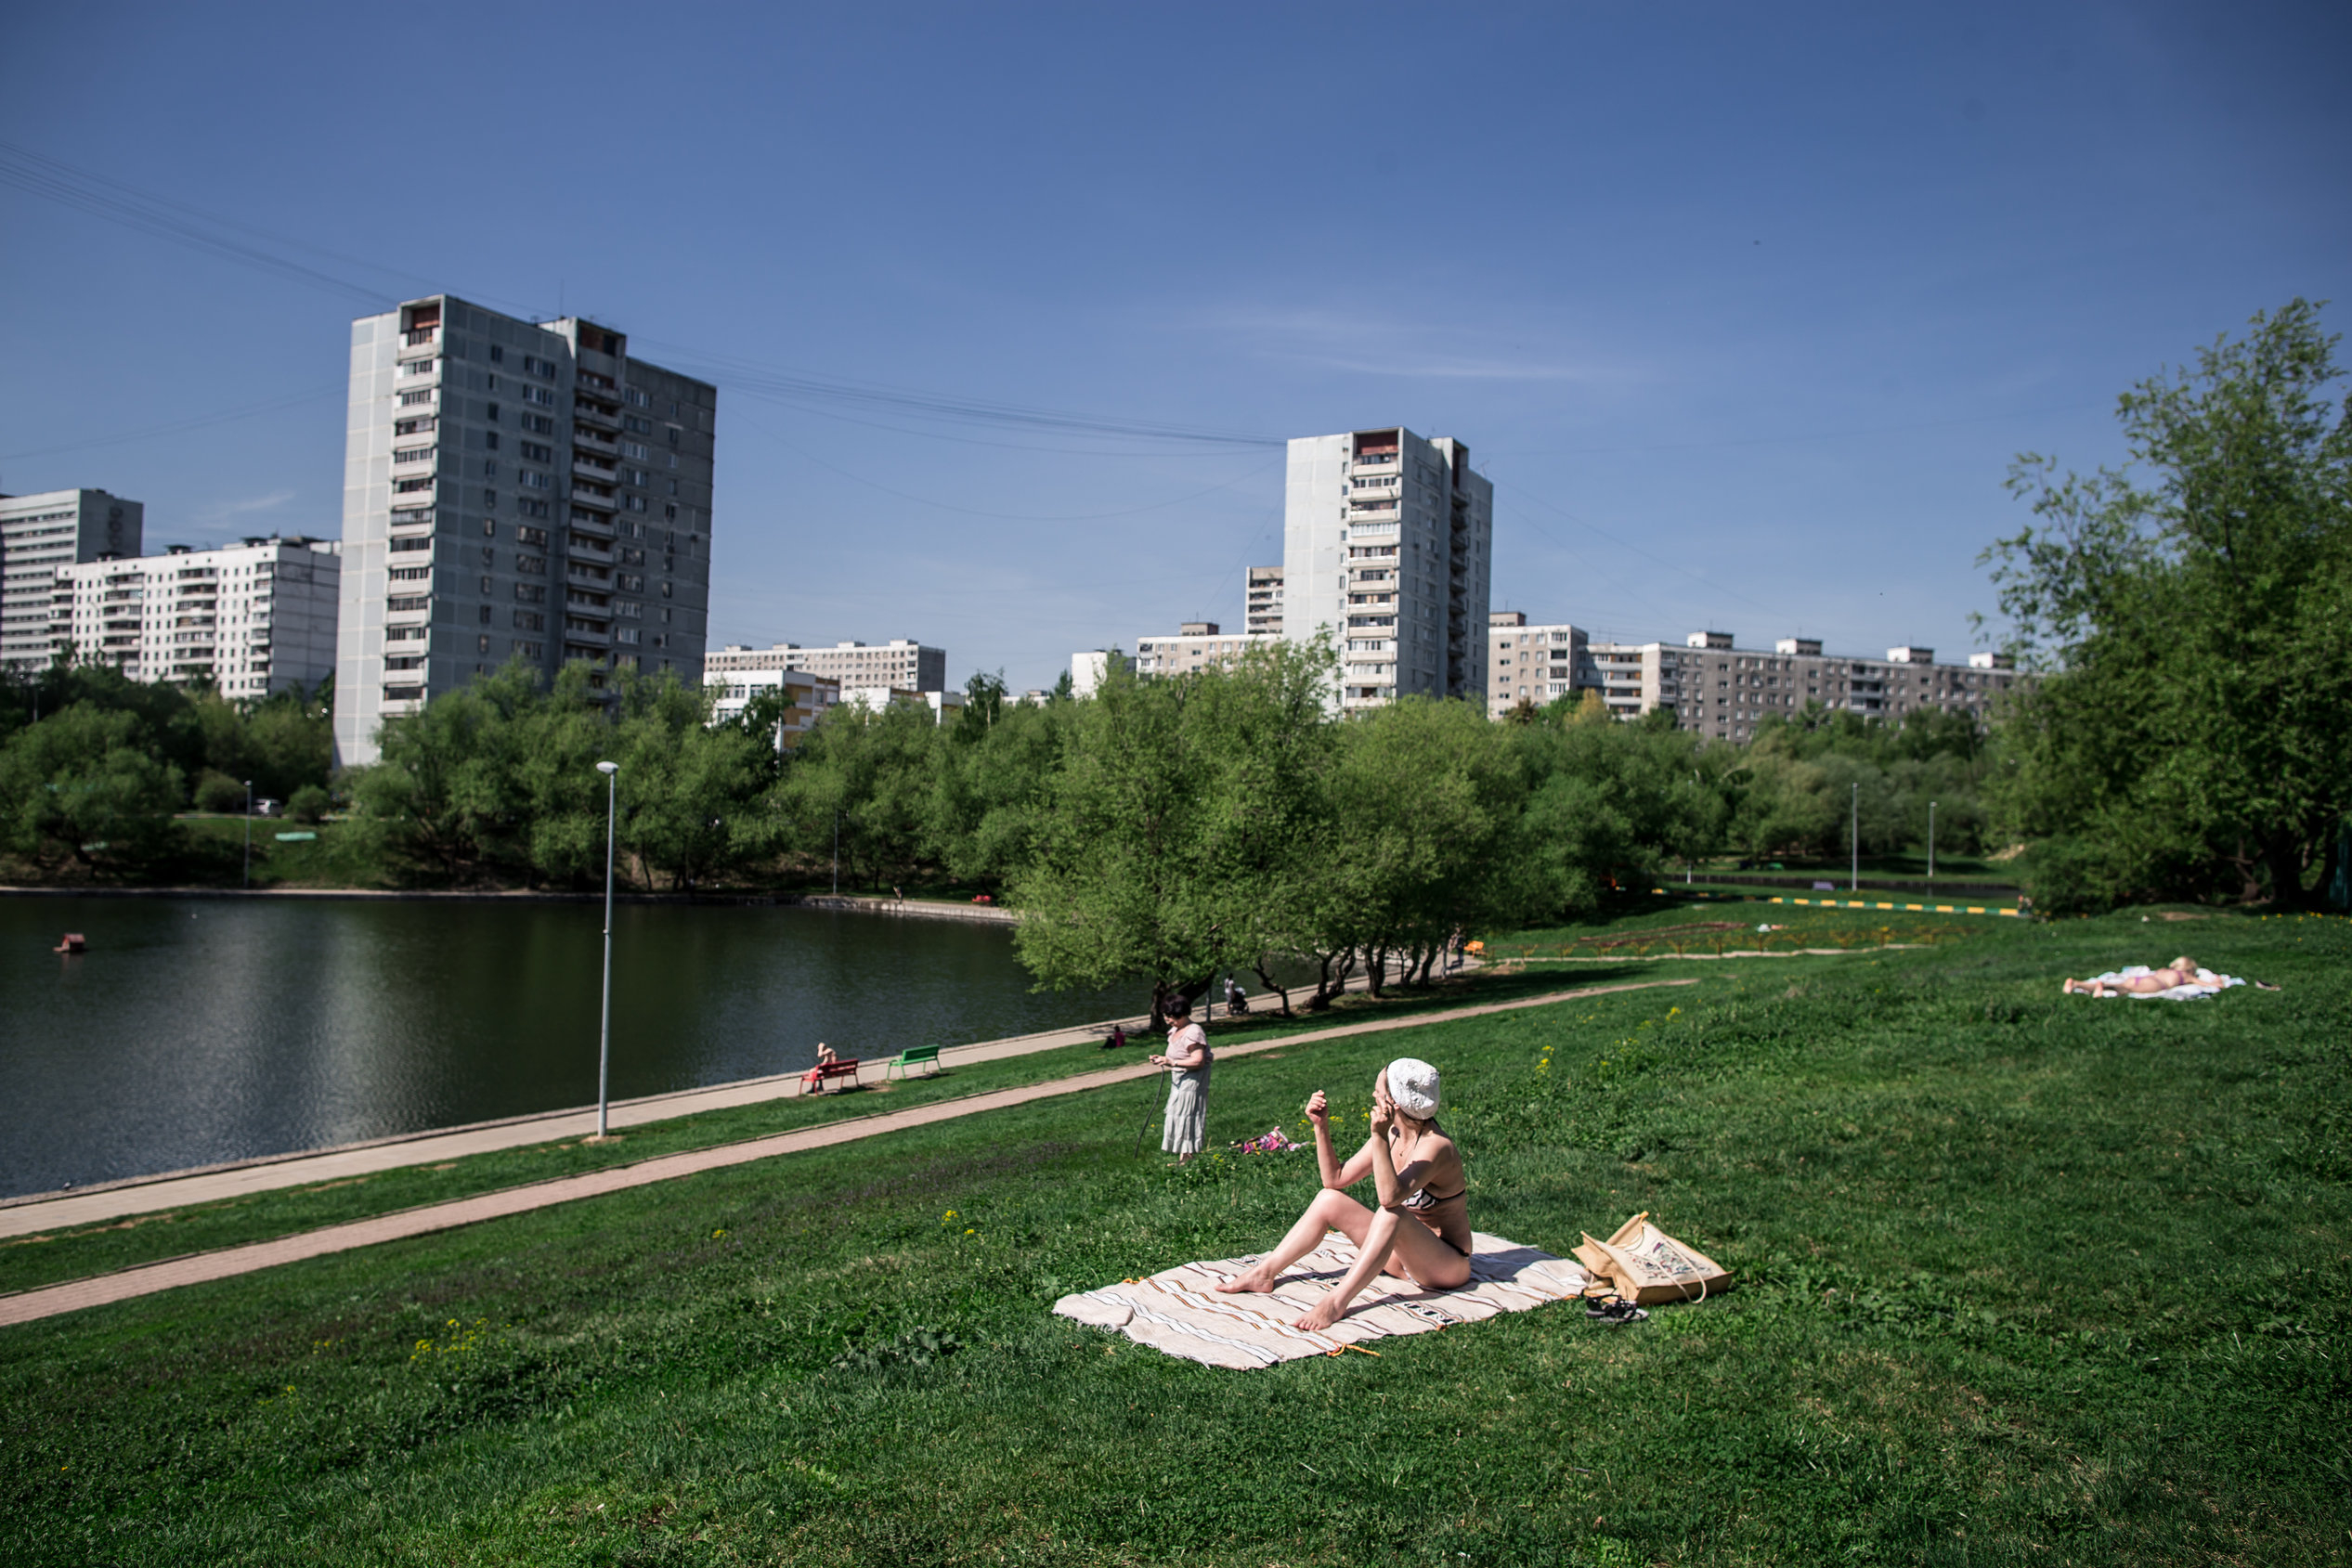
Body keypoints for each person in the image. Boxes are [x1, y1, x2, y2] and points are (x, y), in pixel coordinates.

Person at [1215, 1057, 1472, 1332]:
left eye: (1378, 1092)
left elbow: (1389, 1198)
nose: (1373, 1096)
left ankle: (1336, 1303)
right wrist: (1320, 1126)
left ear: (1393, 1103)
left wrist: (1379, 1137)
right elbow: (1334, 1179)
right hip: (1401, 1258)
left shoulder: (1436, 1147)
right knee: (1328, 1199)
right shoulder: (1395, 1133)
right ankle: (1263, 1274)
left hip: (1444, 1267)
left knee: (1391, 1214)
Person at [1149, 994, 1212, 1163]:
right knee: (1176, 1114)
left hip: (1193, 1079)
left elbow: (1198, 1060)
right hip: (1179, 1078)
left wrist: (1171, 1062)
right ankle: (1183, 1156)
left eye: (1172, 1017)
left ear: (1182, 1014)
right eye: (1166, 1016)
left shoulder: (1194, 1032)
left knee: (1187, 1114)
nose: (1168, 1020)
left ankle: (1188, 1157)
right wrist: (1162, 1058)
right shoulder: (1176, 1031)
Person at [2062, 956, 2222, 997]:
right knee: (2125, 989)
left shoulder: (2163, 970)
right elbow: (2206, 985)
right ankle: (2103, 987)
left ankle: (2077, 983)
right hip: (2154, 984)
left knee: (2126, 985)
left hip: (2143, 979)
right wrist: (2218, 982)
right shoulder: (2186, 976)